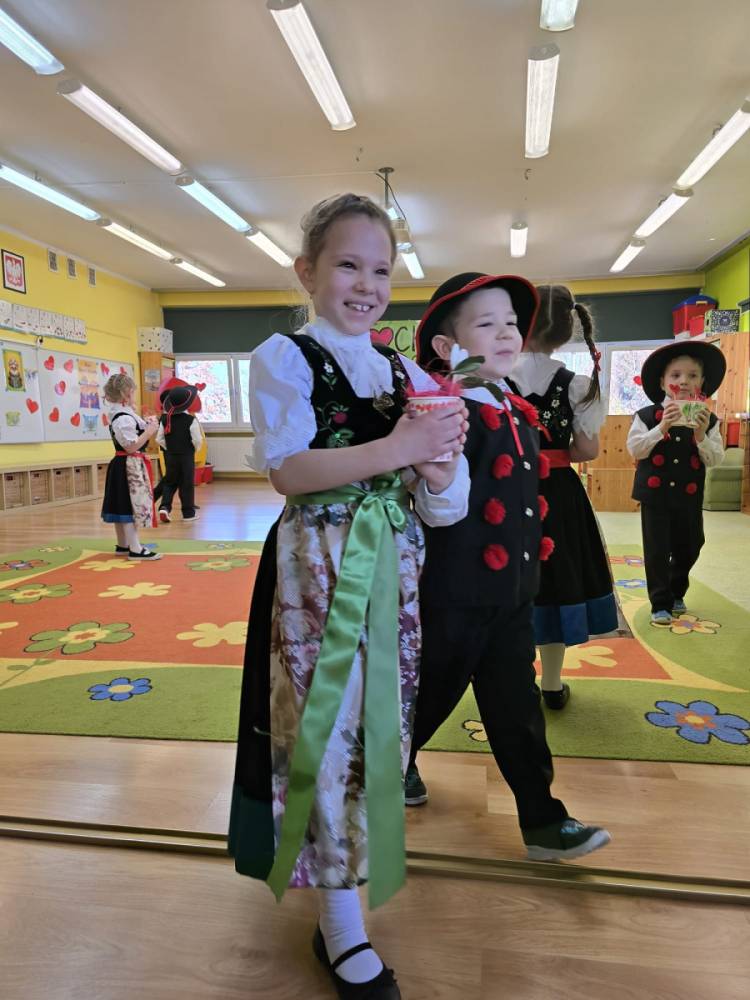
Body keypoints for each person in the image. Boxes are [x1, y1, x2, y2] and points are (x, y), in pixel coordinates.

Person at [228, 193, 469, 1000]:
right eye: (347, 265)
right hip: (319, 572)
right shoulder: (286, 356)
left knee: (380, 733)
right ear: (307, 271)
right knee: (323, 733)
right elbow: (290, 471)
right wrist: (401, 445)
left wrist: (438, 468)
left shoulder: (404, 371)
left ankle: (354, 887)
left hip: (394, 567)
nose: (367, 285)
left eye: (381, 270)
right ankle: (340, 925)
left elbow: (445, 505)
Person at [405, 272, 611, 864]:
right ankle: (374, 780)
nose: (505, 334)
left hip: (514, 592)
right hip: (456, 593)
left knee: (517, 709)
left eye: (513, 324)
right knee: (426, 697)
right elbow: (435, 505)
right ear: (446, 346)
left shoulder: (515, 408)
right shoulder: (444, 410)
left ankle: (543, 820)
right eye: (486, 324)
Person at [511, 285, 620, 709]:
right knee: (555, 581)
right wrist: (556, 452)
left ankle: (511, 678)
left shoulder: (491, 380)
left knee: (510, 579)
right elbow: (587, 451)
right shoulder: (576, 385)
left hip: (504, 491)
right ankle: (553, 685)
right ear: (566, 332)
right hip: (557, 493)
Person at [626, 341, 725, 625]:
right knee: (657, 549)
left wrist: (701, 435)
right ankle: (661, 603)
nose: (683, 381)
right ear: (663, 382)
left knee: (691, 545)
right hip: (654, 496)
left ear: (702, 382)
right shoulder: (646, 416)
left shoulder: (709, 419)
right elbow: (636, 449)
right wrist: (662, 427)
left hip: (688, 496)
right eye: (676, 375)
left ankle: (676, 589)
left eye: (692, 375)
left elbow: (715, 458)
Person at [100, 373, 162, 560]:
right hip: (128, 466)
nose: (135, 395)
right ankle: (135, 548)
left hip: (127, 464)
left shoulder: (124, 414)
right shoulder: (123, 418)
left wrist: (148, 426)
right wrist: (149, 432)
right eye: (133, 392)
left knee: (122, 505)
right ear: (126, 393)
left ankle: (123, 545)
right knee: (128, 506)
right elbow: (130, 446)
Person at [153, 377, 204, 522]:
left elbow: (159, 439)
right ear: (188, 403)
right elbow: (197, 440)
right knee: (186, 484)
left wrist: (169, 448)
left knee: (170, 482)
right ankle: (188, 513)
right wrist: (193, 449)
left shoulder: (165, 419)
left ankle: (164, 507)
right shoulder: (191, 420)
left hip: (170, 456)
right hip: (186, 456)